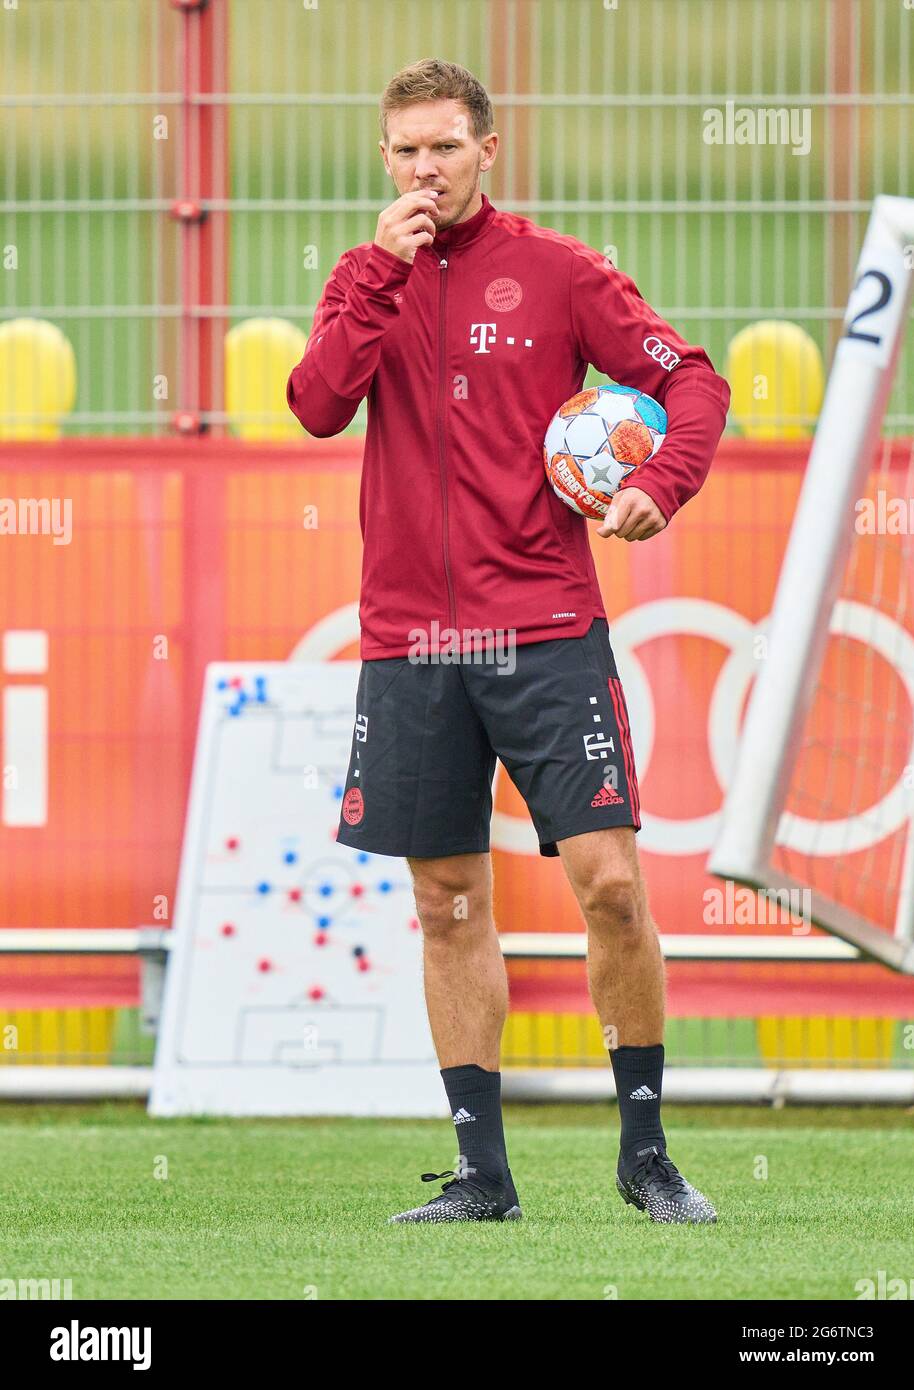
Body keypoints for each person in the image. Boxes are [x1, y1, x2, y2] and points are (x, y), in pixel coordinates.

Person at [287, 58, 729, 1226]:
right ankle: (482, 1174)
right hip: (410, 641)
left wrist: (662, 486)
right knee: (447, 903)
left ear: (490, 148)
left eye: (443, 146)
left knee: (613, 885)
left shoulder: (560, 272)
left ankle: (647, 1156)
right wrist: (379, 274)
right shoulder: (362, 279)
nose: (424, 169)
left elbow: (693, 382)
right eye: (404, 150)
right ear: (385, 160)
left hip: (545, 629)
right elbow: (318, 402)